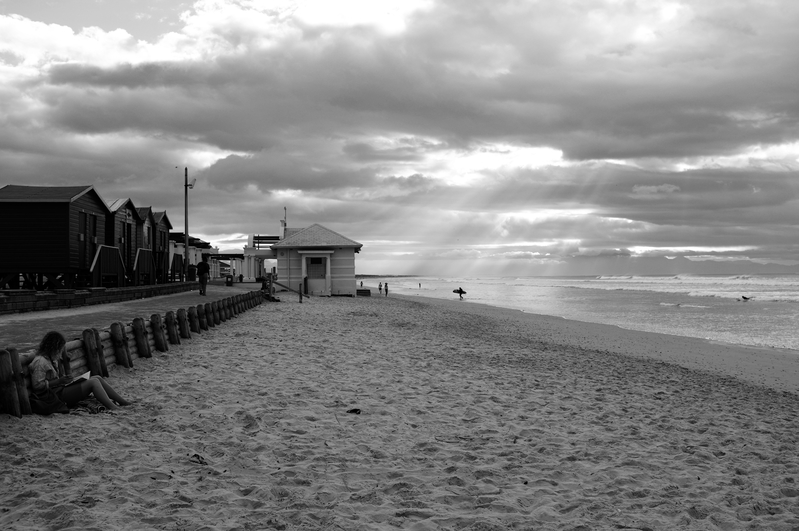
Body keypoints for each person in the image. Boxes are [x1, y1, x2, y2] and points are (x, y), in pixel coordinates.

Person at [29, 331, 131, 411]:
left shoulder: (50, 359)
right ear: (53, 347)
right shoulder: (40, 362)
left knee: (97, 377)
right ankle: (113, 407)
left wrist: (66, 380)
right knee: (93, 382)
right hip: (52, 397)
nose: (60, 352)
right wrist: (59, 381)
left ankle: (123, 402)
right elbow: (37, 386)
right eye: (59, 349)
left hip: (59, 390)